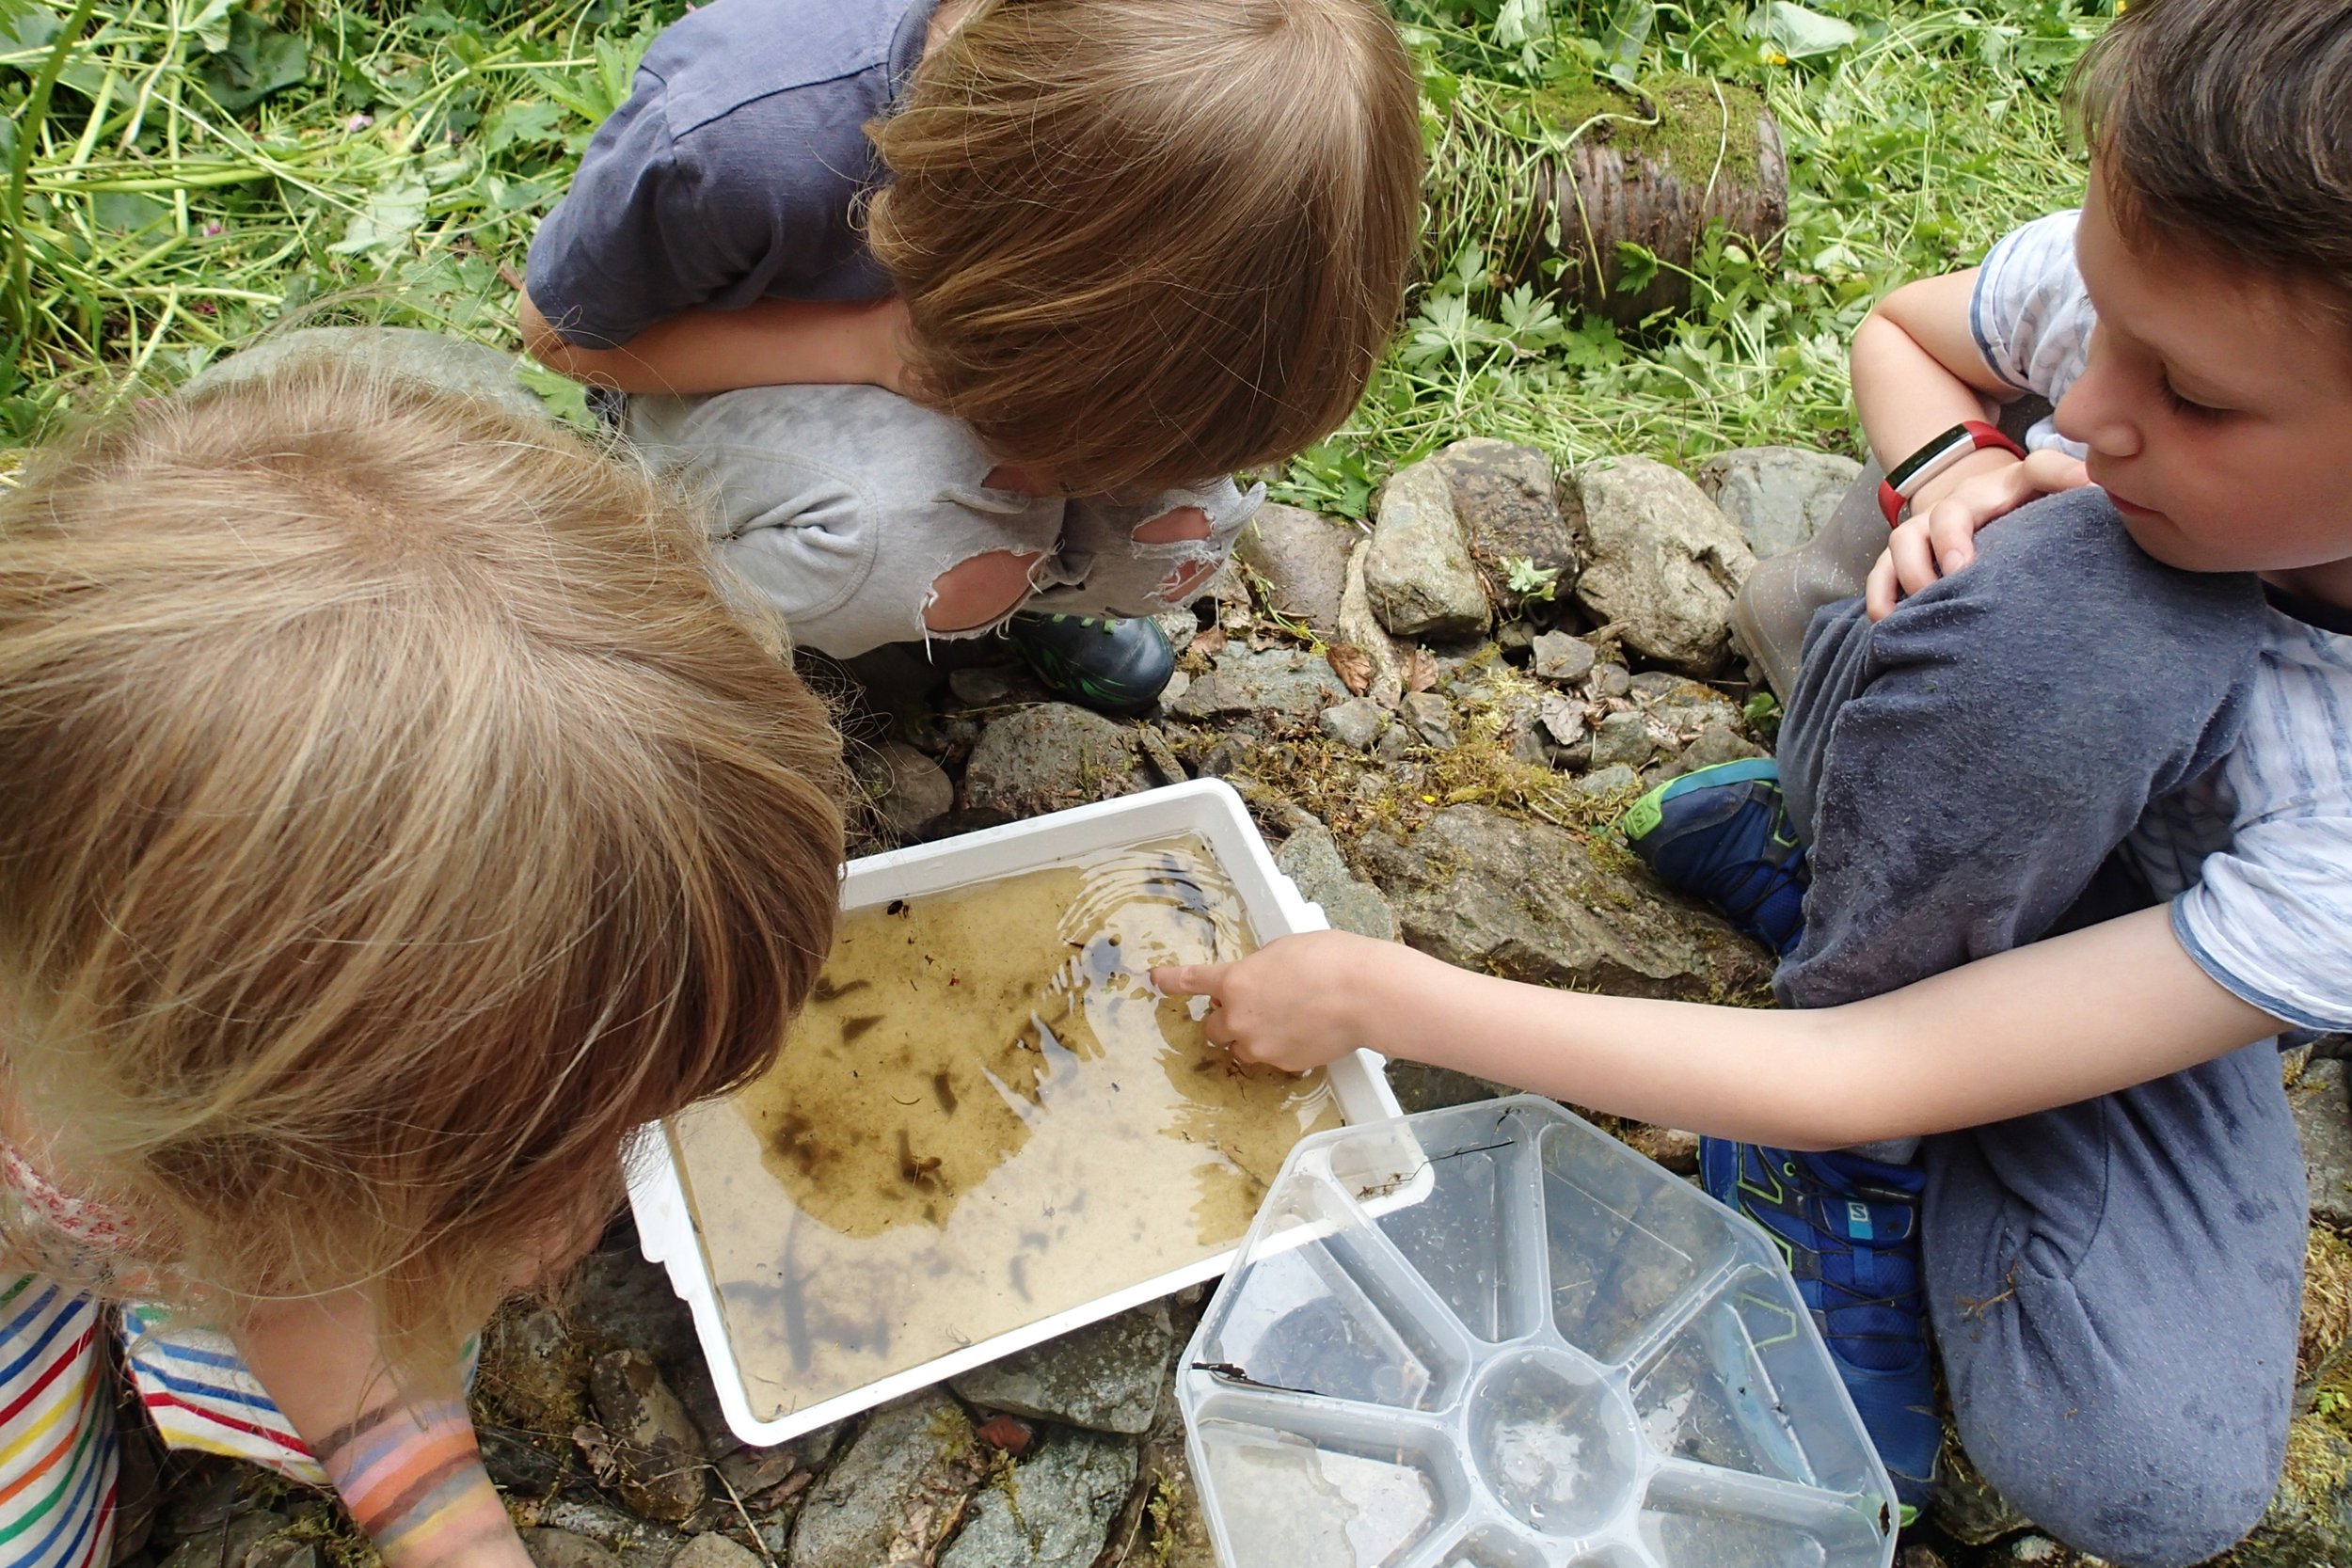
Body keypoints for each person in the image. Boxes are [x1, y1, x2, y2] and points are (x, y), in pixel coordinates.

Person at [1156, 2, 2352, 1562]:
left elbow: (1884, 1064)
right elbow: (1906, 334)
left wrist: (1382, 991)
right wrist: (1950, 469)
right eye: (2107, 324)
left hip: (2144, 929)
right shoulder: (2180, 285)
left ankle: (1854, 926)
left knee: (2155, 1477)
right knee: (2097, 603)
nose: (2098, 405)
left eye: (2191, 399)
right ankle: (1845, 899)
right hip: (1975, 704)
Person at [0, 343, 848, 1568]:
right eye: (522, 1170)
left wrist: (442, 1524)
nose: (572, 1233)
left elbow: (300, 1285)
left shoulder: (200, 1059)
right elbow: (291, 1278)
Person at [517, 0, 1421, 716]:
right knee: (919, 536)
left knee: (1174, 534)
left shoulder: (1210, 189)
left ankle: (1012, 598)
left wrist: (1100, 453)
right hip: (723, 373)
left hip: (962, 350)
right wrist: (864, 345)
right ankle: (679, 642)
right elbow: (558, 335)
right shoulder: (742, 142)